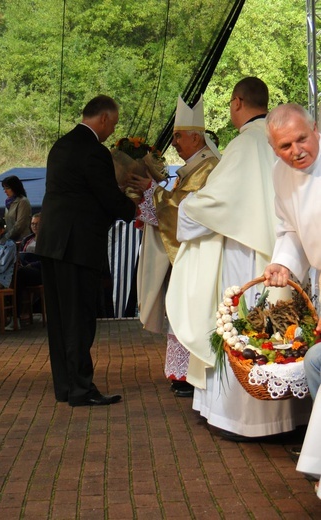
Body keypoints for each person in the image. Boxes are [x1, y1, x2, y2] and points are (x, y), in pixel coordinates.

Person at [165, 78, 311, 439]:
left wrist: (185, 209)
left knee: (250, 328)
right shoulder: (274, 145)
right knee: (282, 331)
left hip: (247, 256)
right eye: (287, 146)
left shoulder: (245, 144)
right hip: (283, 258)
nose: (292, 150)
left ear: (236, 103)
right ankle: (290, 416)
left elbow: (217, 203)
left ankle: (246, 420)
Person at [36, 95, 136, 407]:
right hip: (77, 246)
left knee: (60, 319)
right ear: (104, 119)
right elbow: (106, 198)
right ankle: (81, 389)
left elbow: (76, 195)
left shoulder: (61, 145)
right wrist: (133, 205)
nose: (112, 130)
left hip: (51, 242)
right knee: (79, 318)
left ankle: (65, 386)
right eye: (114, 124)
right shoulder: (94, 151)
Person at [128, 95, 220, 397]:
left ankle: (191, 373)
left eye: (179, 136)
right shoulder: (192, 166)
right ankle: (182, 373)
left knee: (192, 311)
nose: (175, 142)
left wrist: (153, 191)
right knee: (180, 310)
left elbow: (185, 210)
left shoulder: (208, 167)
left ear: (196, 137)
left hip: (200, 253)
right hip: (187, 255)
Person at [263, 102, 321, 497]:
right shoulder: (280, 176)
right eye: (285, 145)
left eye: (302, 138)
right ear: (274, 149)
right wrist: (282, 263)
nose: (296, 150)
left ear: (315, 129)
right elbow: (290, 232)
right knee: (315, 363)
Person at [10, 212, 42, 327]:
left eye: (38, 224)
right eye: (33, 224)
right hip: (24, 268)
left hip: (40, 271)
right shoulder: (27, 239)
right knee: (12, 274)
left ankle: (16, 316)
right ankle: (9, 315)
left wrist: (32, 265)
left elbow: (47, 261)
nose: (35, 226)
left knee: (19, 274)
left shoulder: (48, 239)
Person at [2, 175, 31, 241]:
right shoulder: (8, 202)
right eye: (4, 188)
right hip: (10, 240)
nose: (5, 191)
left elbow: (19, 225)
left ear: (15, 188)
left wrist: (5, 237)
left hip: (21, 240)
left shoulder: (23, 201)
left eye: (7, 188)